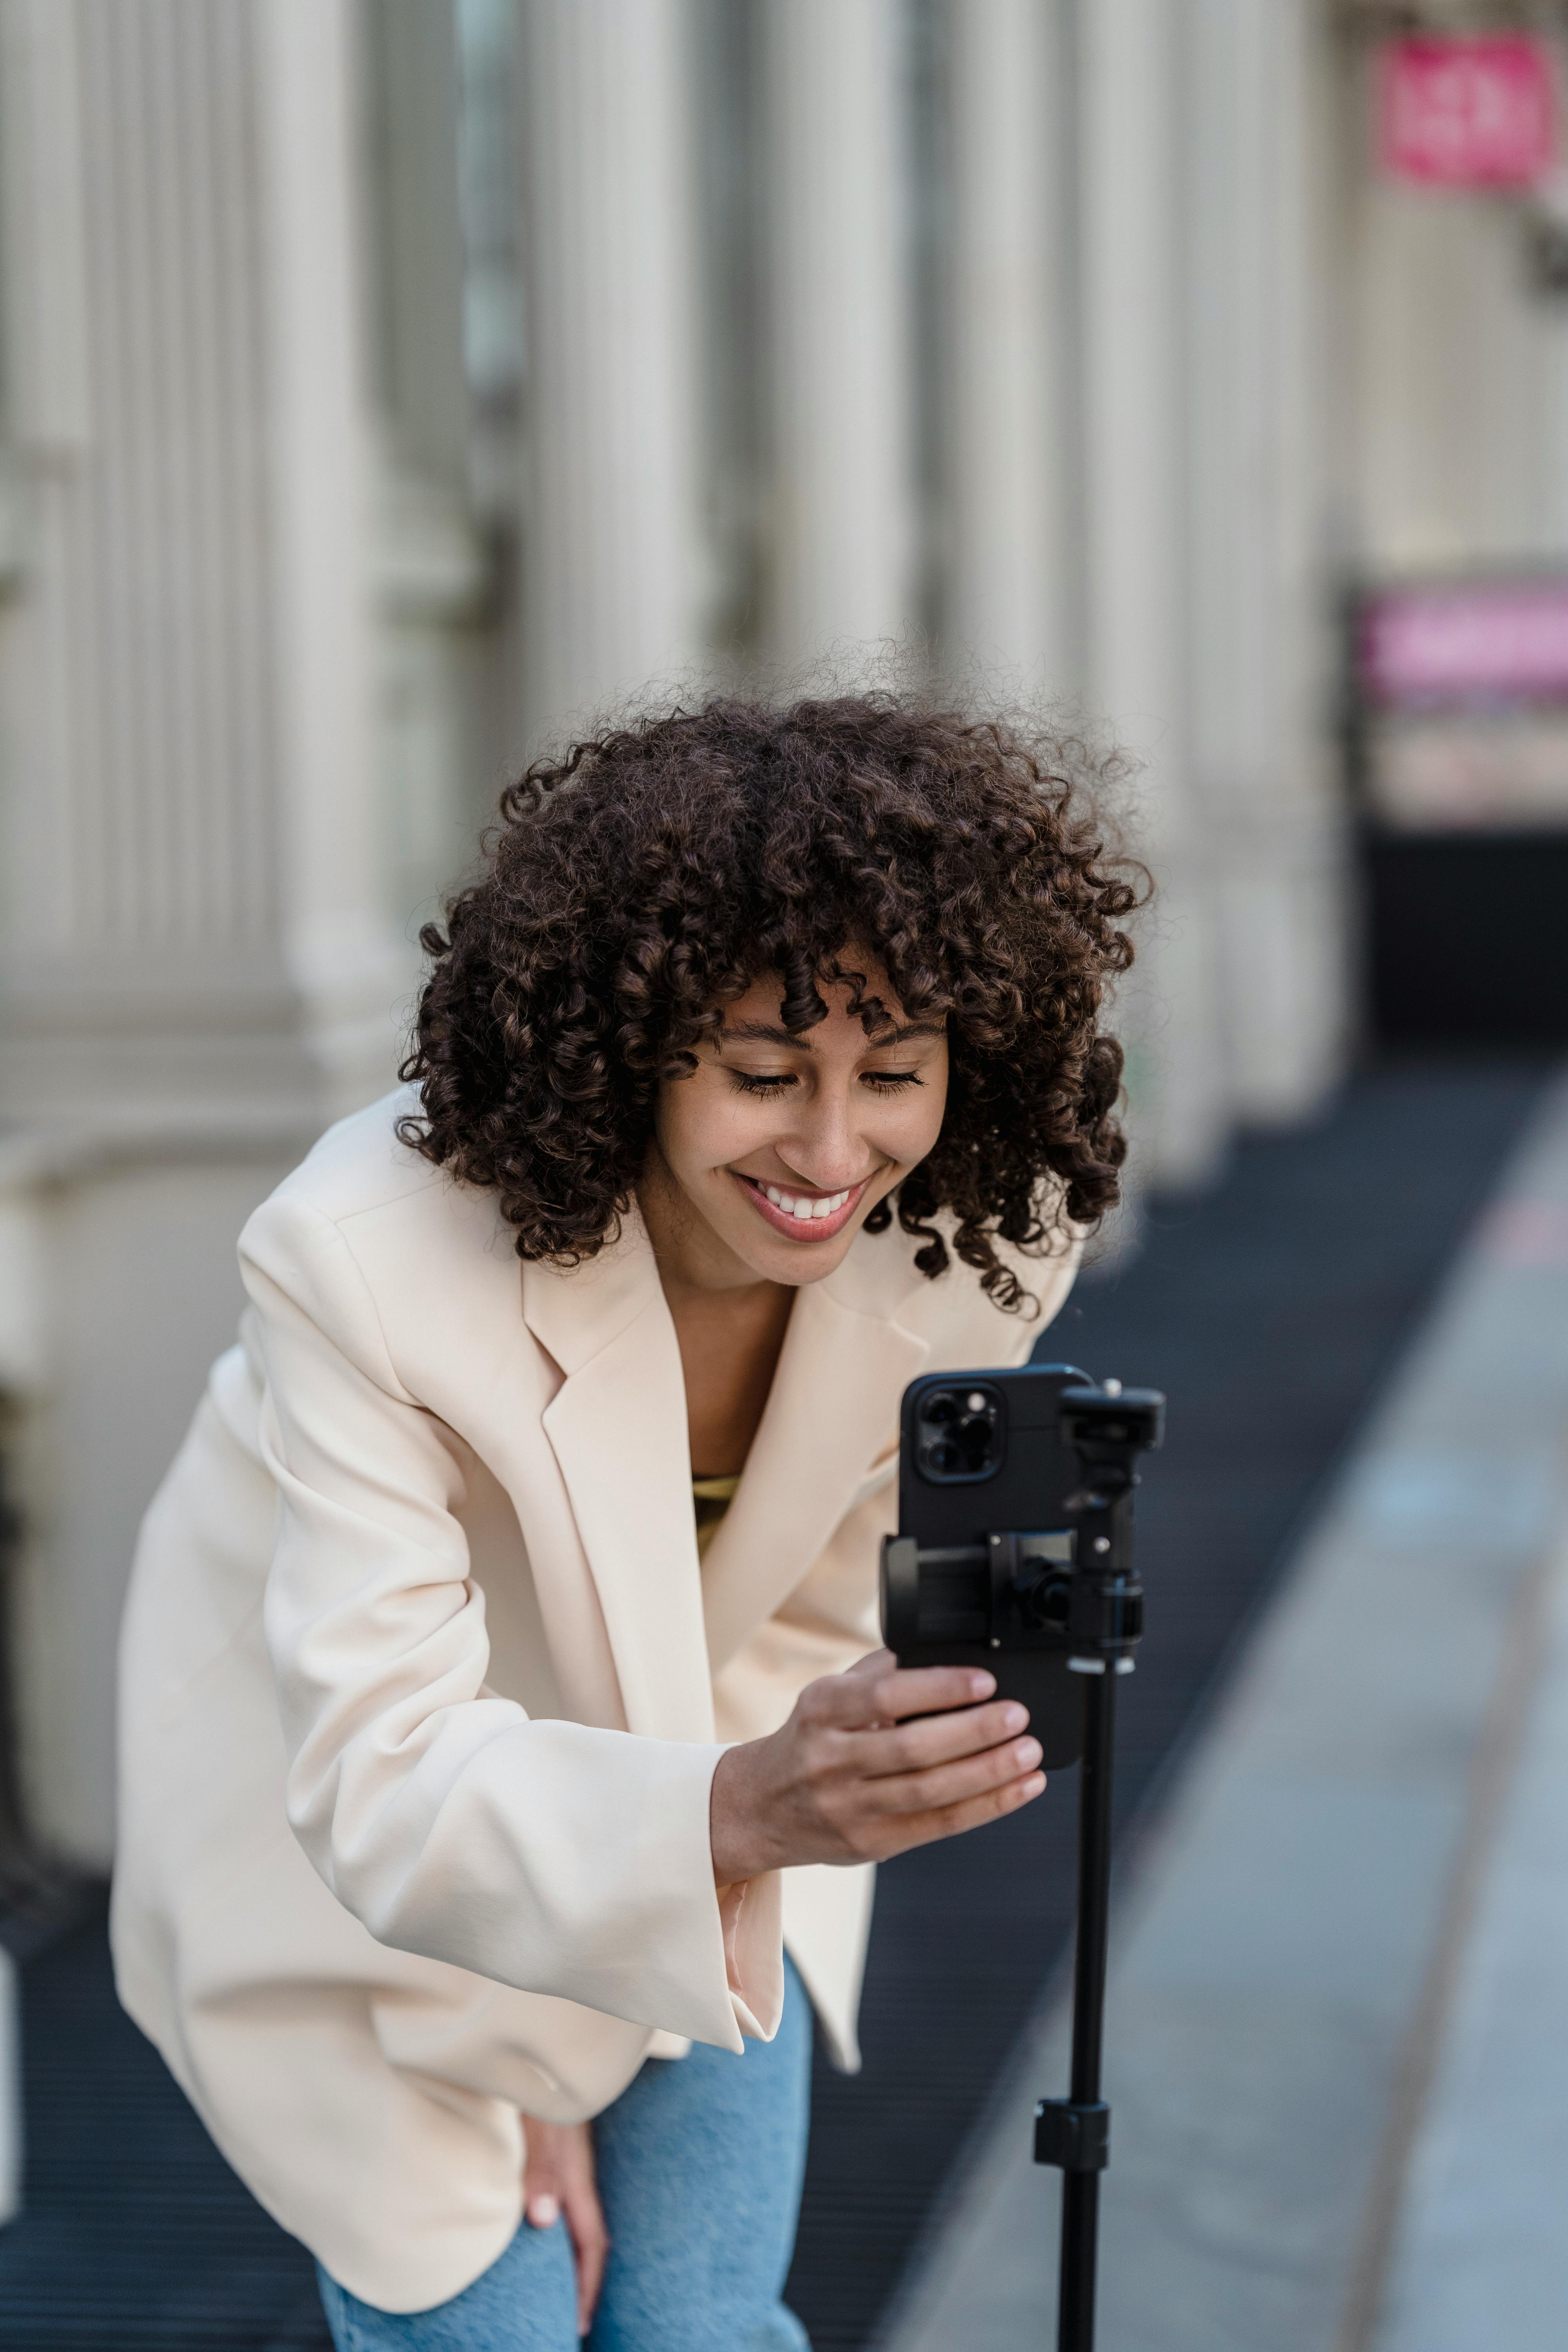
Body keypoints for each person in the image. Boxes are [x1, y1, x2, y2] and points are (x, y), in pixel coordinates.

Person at [112, 694, 1136, 2350]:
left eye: (892, 1074)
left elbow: (793, 1626)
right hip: (336, 1802)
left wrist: (635, 1944)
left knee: (701, 2328)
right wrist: (534, 2027)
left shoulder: (973, 1241)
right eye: (758, 1074)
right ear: (628, 1043)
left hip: (698, 1785)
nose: (829, 1149)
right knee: (486, 2322)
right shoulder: (361, 1259)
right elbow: (381, 1770)